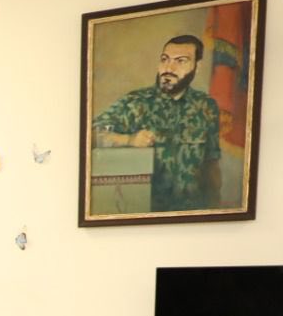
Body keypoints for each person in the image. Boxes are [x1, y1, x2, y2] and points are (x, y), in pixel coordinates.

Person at [91, 35, 222, 212]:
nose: (169, 68)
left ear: (197, 67)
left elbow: (211, 164)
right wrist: (129, 140)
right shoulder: (136, 103)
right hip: (148, 214)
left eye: (180, 61)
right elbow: (89, 135)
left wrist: (216, 210)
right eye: (164, 59)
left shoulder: (206, 106)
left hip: (194, 213)